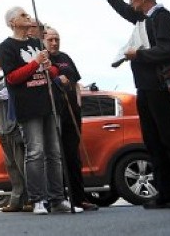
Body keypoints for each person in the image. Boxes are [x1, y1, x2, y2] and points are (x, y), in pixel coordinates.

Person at [95, 0, 170, 208]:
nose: (131, 3)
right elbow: (122, 10)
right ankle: (165, 193)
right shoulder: (145, 19)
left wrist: (137, 54)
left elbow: (167, 50)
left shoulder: (162, 17)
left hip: (160, 87)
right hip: (145, 88)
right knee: (153, 141)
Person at [0, 7, 71, 215]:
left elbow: (54, 73)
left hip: (48, 103)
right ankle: (38, 199)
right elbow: (12, 78)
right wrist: (35, 63)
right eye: (23, 15)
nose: (28, 17)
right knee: (35, 152)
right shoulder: (7, 46)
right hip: (28, 106)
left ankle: (57, 198)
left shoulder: (37, 43)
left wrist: (50, 67)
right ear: (13, 22)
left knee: (54, 153)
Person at [44, 26, 98, 212]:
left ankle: (79, 198)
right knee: (55, 157)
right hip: (53, 111)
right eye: (50, 39)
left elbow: (75, 83)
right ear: (43, 40)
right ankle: (59, 198)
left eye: (57, 38)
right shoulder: (42, 59)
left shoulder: (65, 58)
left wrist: (79, 105)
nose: (54, 42)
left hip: (71, 112)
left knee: (73, 156)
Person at [0, 53, 29, 212]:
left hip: (13, 126)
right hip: (3, 127)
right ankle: (17, 200)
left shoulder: (11, 77)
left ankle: (30, 198)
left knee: (21, 164)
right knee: (11, 165)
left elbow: (9, 94)